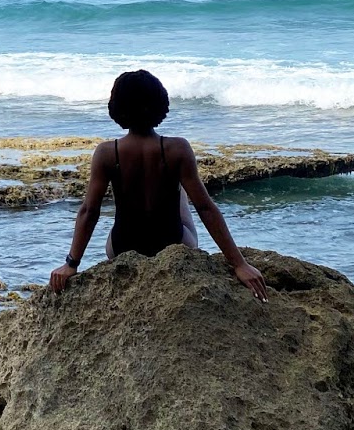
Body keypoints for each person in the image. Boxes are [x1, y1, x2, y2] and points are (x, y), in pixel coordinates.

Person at [49, 69, 268, 301]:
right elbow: (205, 208)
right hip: (173, 244)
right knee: (182, 188)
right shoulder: (177, 149)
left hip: (121, 248)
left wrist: (71, 264)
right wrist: (239, 264)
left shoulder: (106, 152)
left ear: (117, 108)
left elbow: (89, 211)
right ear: (159, 104)